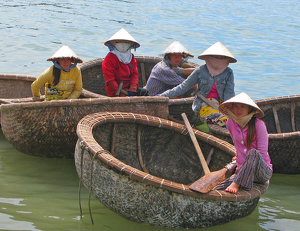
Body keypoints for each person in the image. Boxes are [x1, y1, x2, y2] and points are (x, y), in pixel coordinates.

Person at [160, 41, 236, 127]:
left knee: (236, 120)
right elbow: (183, 87)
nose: (218, 59)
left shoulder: (228, 72)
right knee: (223, 120)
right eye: (215, 57)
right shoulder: (201, 71)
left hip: (222, 105)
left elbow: (229, 95)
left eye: (221, 57)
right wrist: (161, 96)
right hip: (205, 105)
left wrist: (231, 112)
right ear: (209, 57)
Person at [214, 92, 272, 193]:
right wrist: (238, 157)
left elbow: (262, 154)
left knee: (253, 153)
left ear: (249, 109)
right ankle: (236, 181)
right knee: (217, 189)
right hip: (242, 171)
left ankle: (236, 183)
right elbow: (238, 146)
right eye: (235, 106)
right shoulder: (230, 123)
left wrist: (243, 169)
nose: (238, 109)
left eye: (242, 106)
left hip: (261, 172)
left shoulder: (259, 125)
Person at [102, 28, 149, 97]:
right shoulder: (110, 58)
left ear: (131, 44)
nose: (123, 45)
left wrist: (132, 88)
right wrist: (121, 93)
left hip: (129, 89)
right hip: (115, 91)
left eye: (126, 42)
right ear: (113, 43)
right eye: (119, 42)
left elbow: (134, 74)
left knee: (145, 92)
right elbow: (110, 80)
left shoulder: (131, 57)